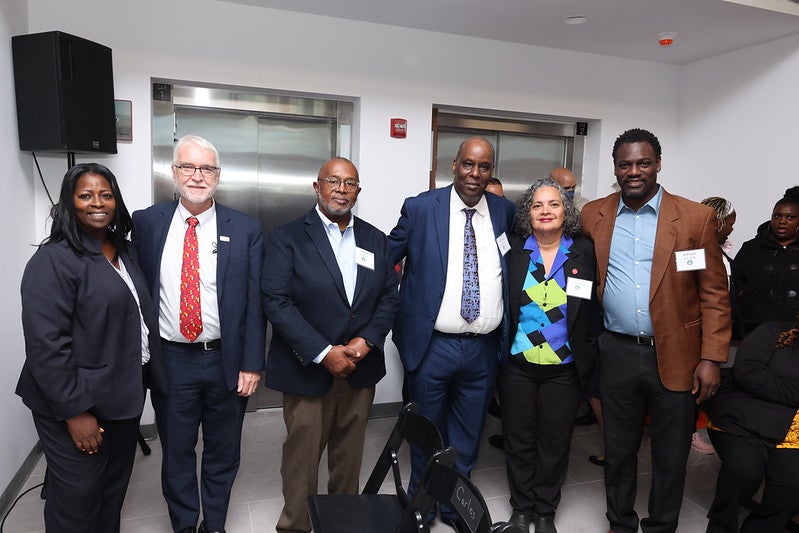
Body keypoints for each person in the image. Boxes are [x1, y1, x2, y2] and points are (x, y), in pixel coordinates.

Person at [581, 128, 731, 533]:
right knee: (618, 449)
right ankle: (620, 522)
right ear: (615, 168)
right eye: (626, 164)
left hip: (678, 353)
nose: (635, 171)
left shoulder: (695, 218)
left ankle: (662, 525)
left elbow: (714, 292)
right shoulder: (593, 214)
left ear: (658, 164)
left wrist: (712, 357)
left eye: (643, 162)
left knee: (670, 454)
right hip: (616, 351)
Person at [17, 163, 167, 533]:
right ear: (69, 203)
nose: (97, 203)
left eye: (106, 194)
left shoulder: (123, 250)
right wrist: (75, 413)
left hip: (122, 396)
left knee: (111, 492)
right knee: (78, 500)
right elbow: (46, 346)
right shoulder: (53, 260)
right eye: (85, 195)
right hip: (76, 404)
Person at [132, 135, 265, 533]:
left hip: (227, 359)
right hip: (171, 360)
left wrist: (251, 363)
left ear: (218, 176)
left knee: (223, 453)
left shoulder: (245, 228)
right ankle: (185, 526)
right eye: (188, 167)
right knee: (176, 452)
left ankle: (216, 525)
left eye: (206, 168)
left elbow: (255, 302)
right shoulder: (146, 223)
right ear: (173, 173)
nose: (197, 176)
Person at [262, 157, 399, 533]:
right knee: (302, 460)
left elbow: (389, 296)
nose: (341, 189)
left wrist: (366, 341)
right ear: (317, 186)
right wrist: (325, 353)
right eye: (333, 181)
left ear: (358, 191)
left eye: (350, 183)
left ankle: (342, 523)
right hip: (307, 368)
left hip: (360, 367)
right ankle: (296, 526)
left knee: (349, 457)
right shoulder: (286, 236)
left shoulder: (376, 239)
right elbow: (276, 301)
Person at [388, 136, 516, 531]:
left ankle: (454, 505)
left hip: (483, 349)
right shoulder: (422, 208)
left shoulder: (505, 212)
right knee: (428, 431)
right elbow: (384, 261)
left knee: (467, 433)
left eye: (484, 167)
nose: (475, 174)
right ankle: (421, 506)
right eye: (468, 165)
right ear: (453, 165)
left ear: (491, 170)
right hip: (433, 346)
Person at [499, 178, 598, 533]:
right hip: (518, 366)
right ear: (528, 213)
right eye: (537, 205)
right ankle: (521, 509)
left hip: (564, 368)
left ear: (565, 211)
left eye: (553, 204)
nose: (545, 211)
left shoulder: (583, 251)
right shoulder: (513, 250)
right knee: (519, 439)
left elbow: (593, 307)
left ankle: (544, 512)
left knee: (554, 443)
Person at [704, 320, 799, 532]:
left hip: (793, 431)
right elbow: (747, 372)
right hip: (742, 416)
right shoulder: (773, 331)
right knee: (744, 470)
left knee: (793, 484)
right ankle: (721, 526)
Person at [731, 187, 799, 340]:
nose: (782, 221)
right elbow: (734, 286)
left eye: (790, 217)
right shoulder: (751, 248)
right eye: (777, 216)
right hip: (755, 332)